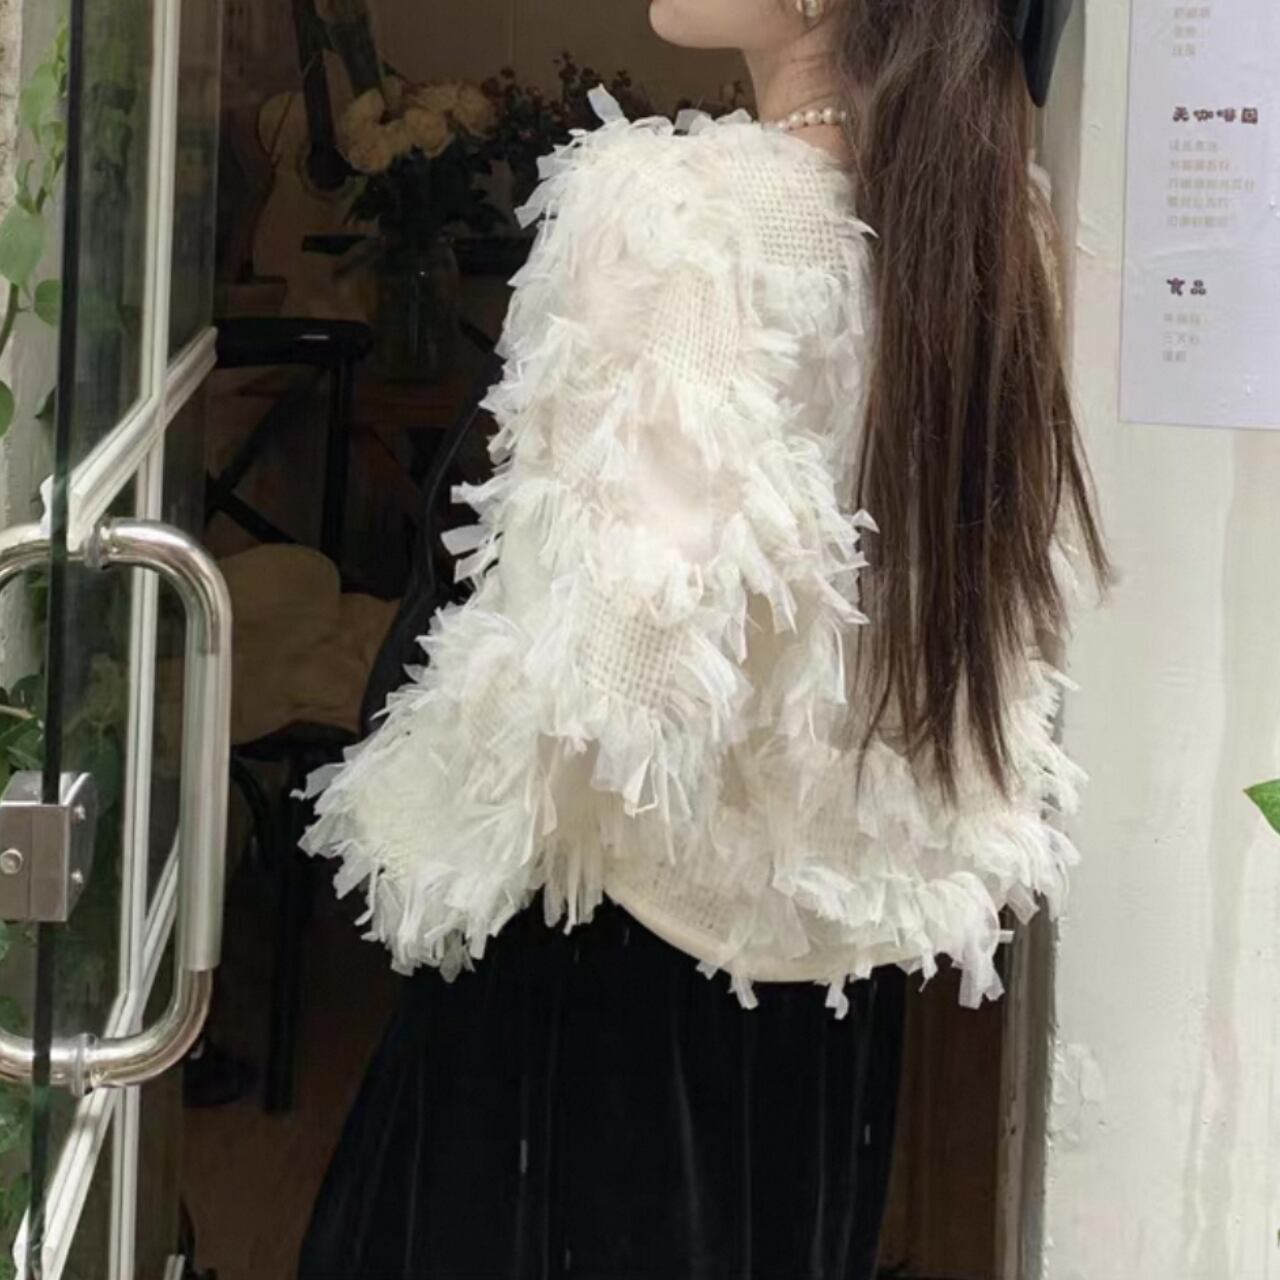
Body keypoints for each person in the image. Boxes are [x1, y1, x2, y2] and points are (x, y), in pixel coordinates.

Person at [297, 1, 1108, 1276]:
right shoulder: (997, 224)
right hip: (831, 1006)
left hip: (605, 983)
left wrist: (412, 826)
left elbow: (601, 679)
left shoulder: (678, 211)